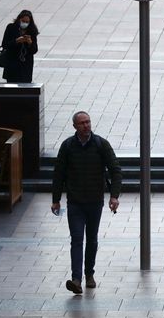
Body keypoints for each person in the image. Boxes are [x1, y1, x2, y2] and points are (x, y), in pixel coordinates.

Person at [51, 111, 122, 295]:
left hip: (94, 201)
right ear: (75, 126)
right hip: (75, 202)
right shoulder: (67, 146)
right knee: (76, 239)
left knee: (91, 239)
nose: (86, 125)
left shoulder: (100, 144)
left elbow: (116, 170)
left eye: (88, 122)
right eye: (82, 123)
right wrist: (55, 199)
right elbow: (58, 173)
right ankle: (76, 279)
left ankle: (89, 274)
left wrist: (114, 196)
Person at [1, 10, 39, 83]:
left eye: (27, 22)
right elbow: (5, 44)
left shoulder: (32, 31)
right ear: (19, 19)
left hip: (25, 66)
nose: (24, 23)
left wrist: (30, 43)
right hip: (12, 64)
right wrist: (16, 41)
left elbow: (34, 50)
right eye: (23, 21)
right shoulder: (11, 27)